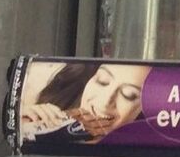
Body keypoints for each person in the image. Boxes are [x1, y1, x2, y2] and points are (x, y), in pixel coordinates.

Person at [19, 61, 151, 146]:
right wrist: (21, 124)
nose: (105, 101)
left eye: (128, 95)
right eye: (102, 81)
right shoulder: (51, 108)